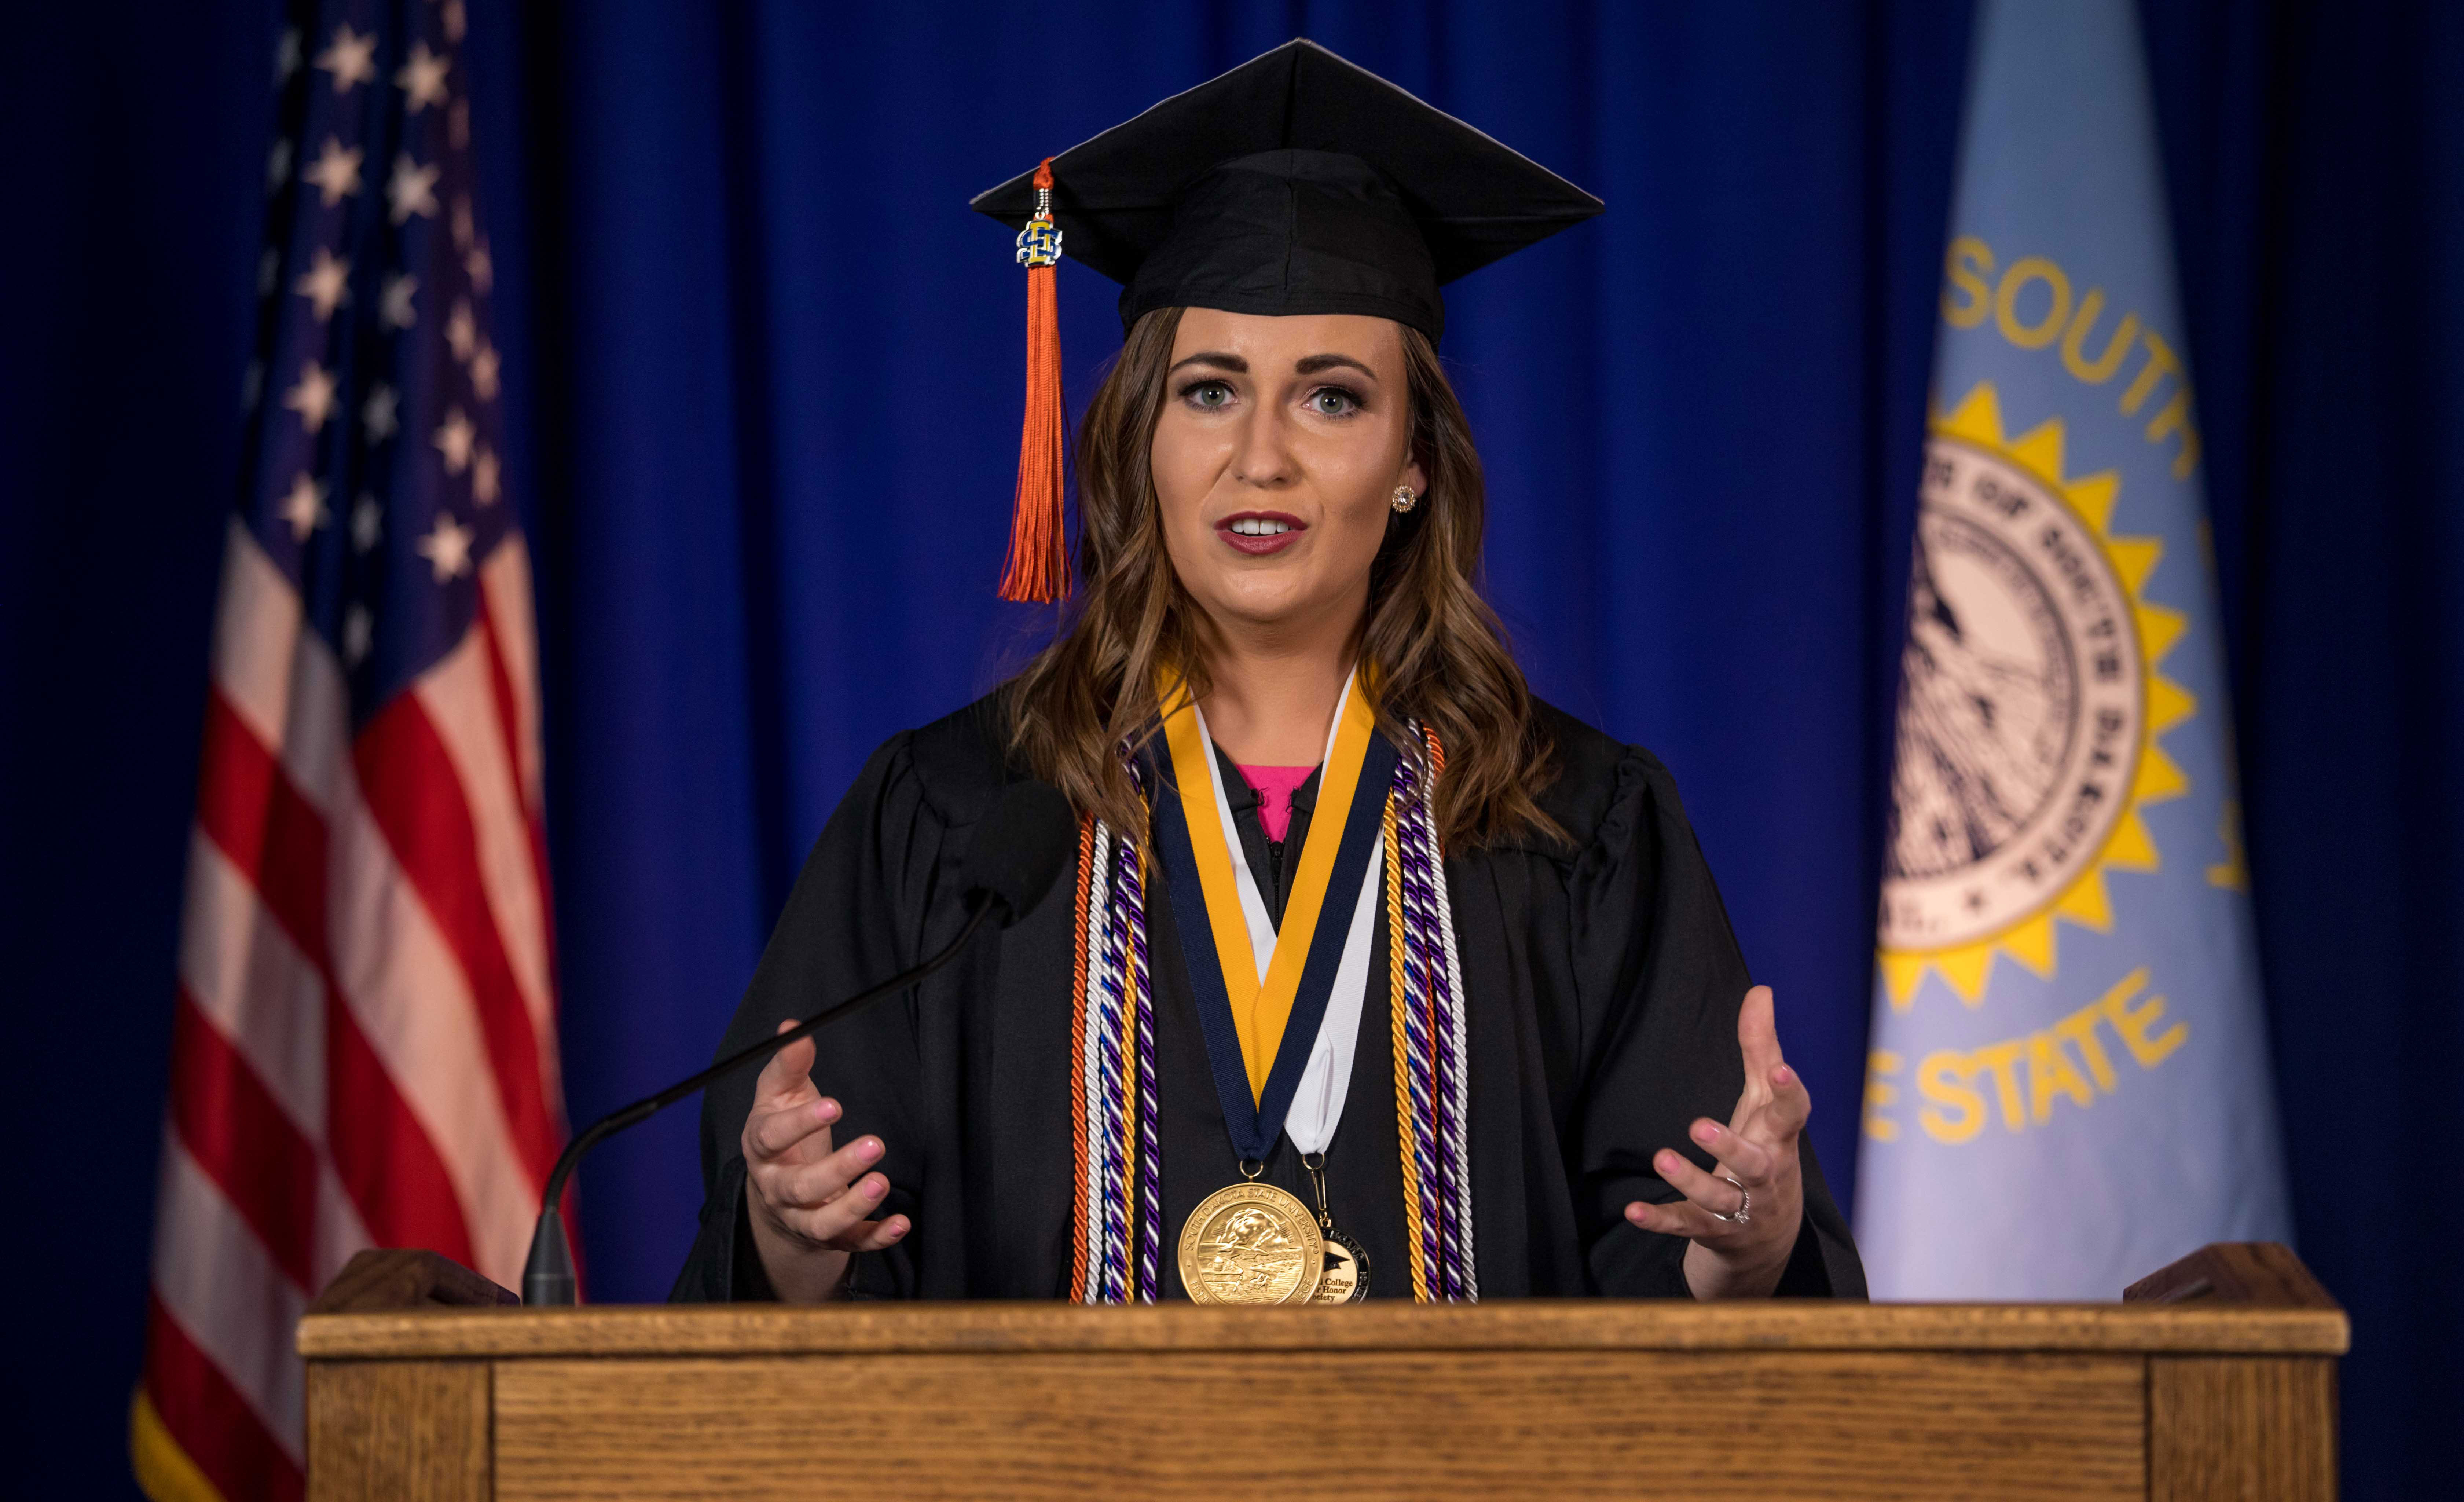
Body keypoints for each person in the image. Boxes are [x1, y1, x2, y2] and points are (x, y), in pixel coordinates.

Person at [672, 40, 1863, 1305]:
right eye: (1209, 391)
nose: (1261, 458)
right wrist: (790, 1235)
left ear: (1413, 463)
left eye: (1333, 399)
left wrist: (1744, 1244)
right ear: (1142, 441)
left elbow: (1676, 1253)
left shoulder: (1574, 820)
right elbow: (819, 1271)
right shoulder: (961, 815)